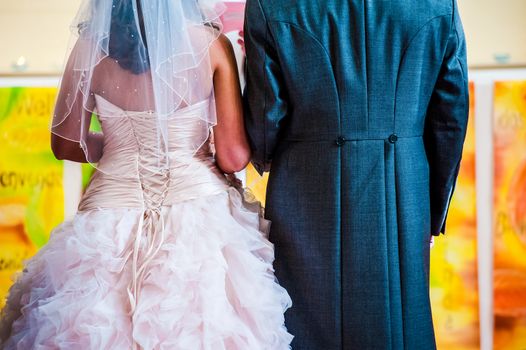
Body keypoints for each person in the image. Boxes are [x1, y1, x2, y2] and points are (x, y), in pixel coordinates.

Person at [0, 0, 292, 349]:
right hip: (198, 210)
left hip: (109, 212)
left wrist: (114, 148)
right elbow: (232, 157)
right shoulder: (211, 44)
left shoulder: (91, 47)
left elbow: (65, 143)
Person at [243, 0, 469, 348]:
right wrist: (432, 212)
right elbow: (450, 118)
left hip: (306, 183)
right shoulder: (438, 6)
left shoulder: (268, 4)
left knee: (305, 322)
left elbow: (266, 114)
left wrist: (265, 151)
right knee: (402, 325)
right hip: (404, 184)